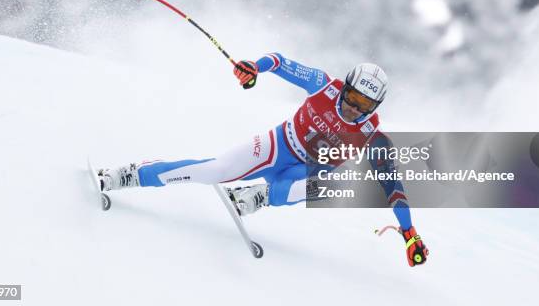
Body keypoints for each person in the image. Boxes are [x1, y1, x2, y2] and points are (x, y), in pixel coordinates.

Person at [97, 53, 429, 267]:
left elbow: (393, 187)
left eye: (364, 105)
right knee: (216, 170)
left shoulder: (372, 134)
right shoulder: (324, 86)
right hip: (278, 147)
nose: (354, 108)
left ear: (375, 107)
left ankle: (260, 196)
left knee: (339, 182)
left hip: (303, 174)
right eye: (353, 98)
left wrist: (409, 232)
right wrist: (254, 68)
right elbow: (280, 61)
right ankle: (129, 175)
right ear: (346, 87)